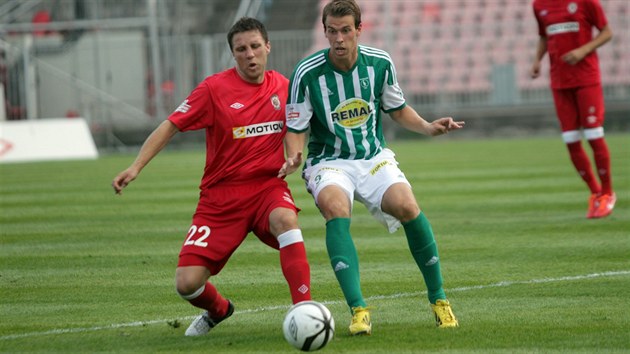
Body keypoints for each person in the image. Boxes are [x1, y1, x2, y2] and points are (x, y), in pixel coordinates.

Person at [112, 17, 311, 337]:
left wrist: (293, 155)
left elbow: (293, 129)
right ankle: (219, 309)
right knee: (187, 284)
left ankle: (305, 311)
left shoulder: (284, 87)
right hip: (220, 198)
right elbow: (171, 124)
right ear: (233, 54)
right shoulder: (213, 89)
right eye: (241, 49)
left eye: (255, 47)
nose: (250, 55)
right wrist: (136, 166)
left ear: (268, 47)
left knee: (287, 221)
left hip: (266, 188)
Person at [278, 0, 462, 335]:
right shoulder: (306, 73)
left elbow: (397, 108)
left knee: (407, 206)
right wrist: (294, 156)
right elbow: (295, 128)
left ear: (359, 30)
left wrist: (428, 127)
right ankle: (359, 310)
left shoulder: (379, 63)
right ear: (324, 32)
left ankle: (439, 300)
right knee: (336, 207)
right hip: (329, 161)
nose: (339, 39)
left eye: (346, 30)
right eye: (332, 31)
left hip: (372, 157)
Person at [530, 0, 616, 218]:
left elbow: (607, 32)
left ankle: (607, 193)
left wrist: (583, 50)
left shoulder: (587, 2)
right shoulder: (539, 5)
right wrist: (537, 60)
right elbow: (544, 35)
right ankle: (595, 193)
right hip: (559, 82)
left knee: (594, 134)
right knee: (571, 140)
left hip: (586, 78)